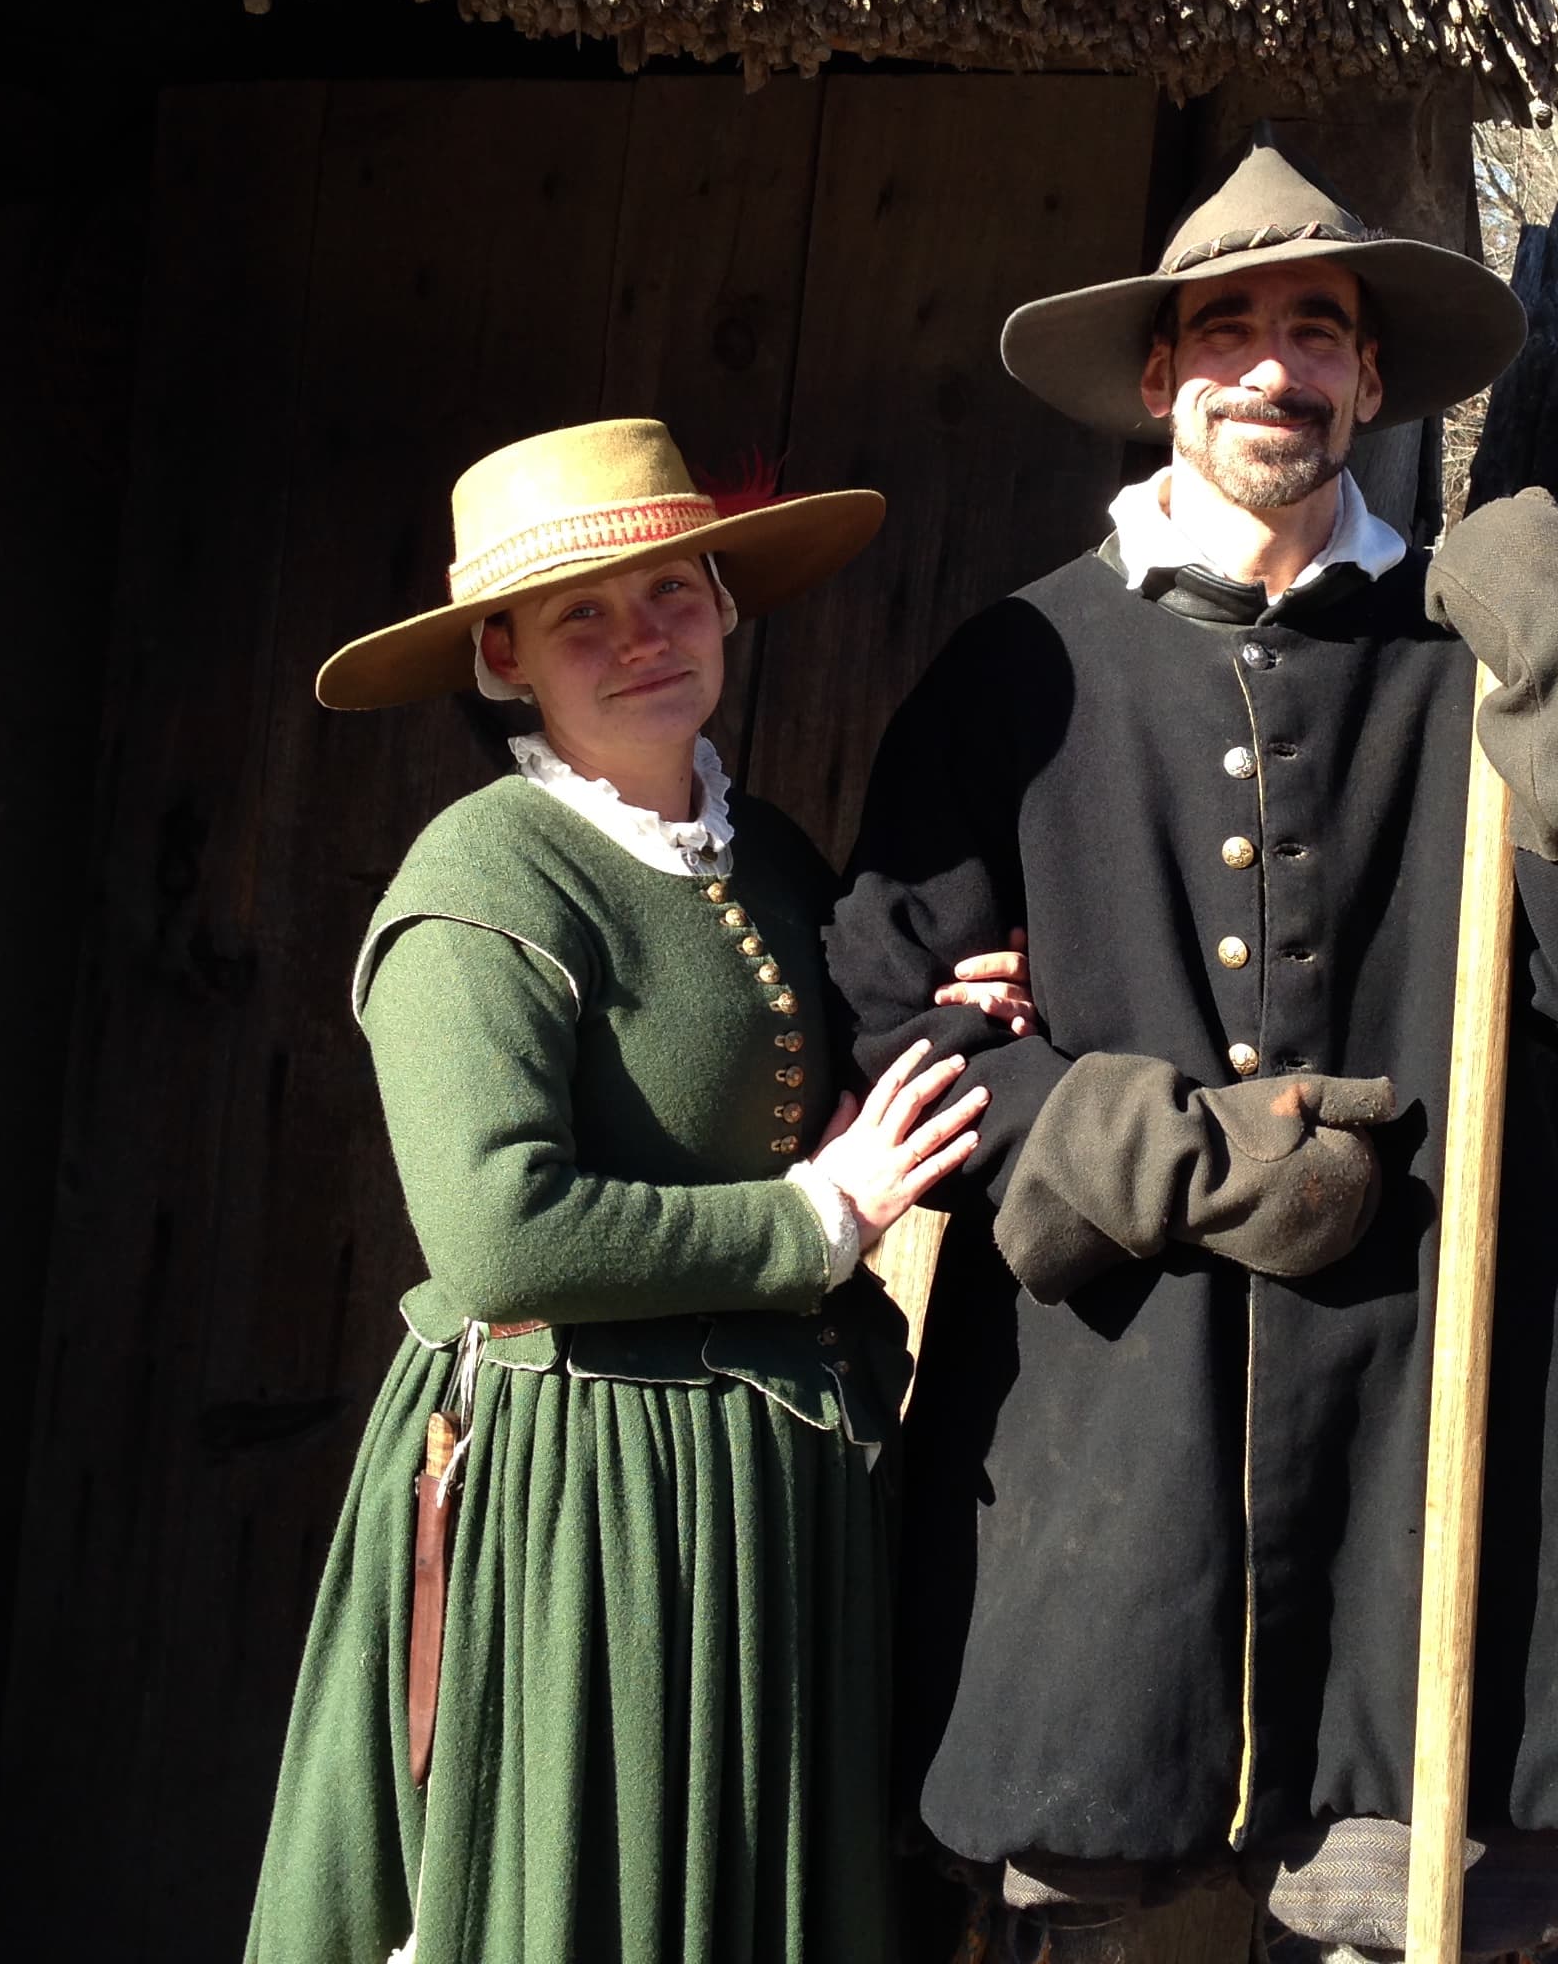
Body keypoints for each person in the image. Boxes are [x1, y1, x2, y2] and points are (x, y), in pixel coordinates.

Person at [829, 144, 1558, 1963]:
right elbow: (895, 1023)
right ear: (1165, 377)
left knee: (1407, 1910)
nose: (1276, 365)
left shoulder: (1467, 663)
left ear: (1369, 381)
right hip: (1108, 1445)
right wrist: (1123, 1139)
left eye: (1317, 330)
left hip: (1430, 1446)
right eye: (1230, 328)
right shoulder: (1020, 665)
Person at [249, 418, 1031, 1964]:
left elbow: (793, 1111)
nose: (640, 639)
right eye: (580, 618)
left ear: (726, 607)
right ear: (501, 657)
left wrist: (946, 1036)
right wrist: (819, 1222)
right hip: (585, 1497)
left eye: (671, 591)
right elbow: (498, 1238)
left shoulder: (770, 858)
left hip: (759, 1497)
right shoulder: (484, 882)